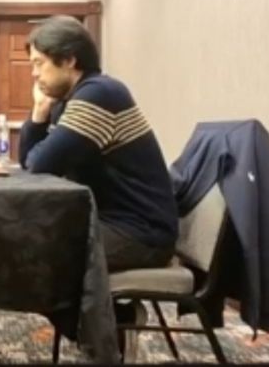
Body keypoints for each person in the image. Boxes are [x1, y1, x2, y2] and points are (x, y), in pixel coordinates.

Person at [19, 15, 178, 273]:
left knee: (32, 245)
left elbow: (40, 166)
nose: (34, 74)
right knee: (27, 233)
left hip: (141, 233)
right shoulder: (69, 101)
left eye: (39, 63)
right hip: (112, 222)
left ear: (69, 60)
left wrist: (40, 152)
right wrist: (39, 110)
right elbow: (30, 165)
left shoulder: (99, 94)